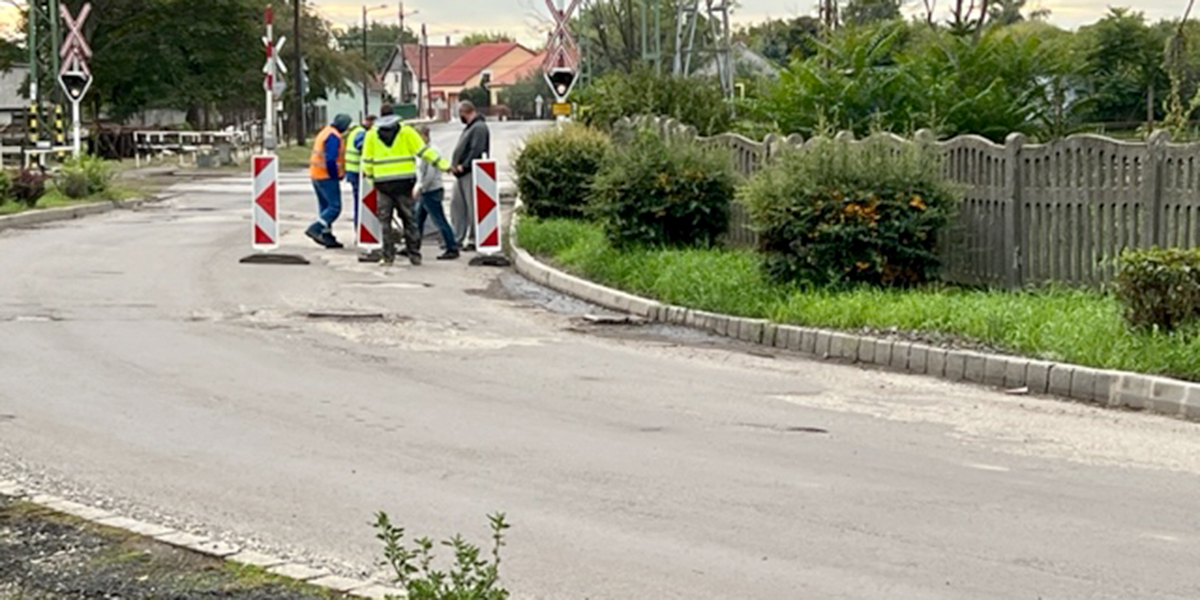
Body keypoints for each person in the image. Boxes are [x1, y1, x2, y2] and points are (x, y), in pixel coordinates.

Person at [362, 105, 450, 266]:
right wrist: (444, 165)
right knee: (410, 219)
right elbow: (424, 152)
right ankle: (414, 254)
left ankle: (388, 256)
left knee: (385, 221)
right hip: (404, 183)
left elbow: (367, 161)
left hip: (382, 184)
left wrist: (371, 180)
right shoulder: (406, 132)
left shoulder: (371, 135)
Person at [306, 113, 352, 249]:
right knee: (334, 207)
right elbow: (330, 159)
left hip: (316, 174)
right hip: (326, 176)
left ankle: (326, 236)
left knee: (325, 207)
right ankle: (316, 228)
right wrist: (335, 175)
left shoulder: (325, 132)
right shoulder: (333, 136)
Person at [414, 126, 460, 261]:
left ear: (425, 136)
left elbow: (429, 174)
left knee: (439, 220)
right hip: (428, 191)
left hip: (431, 191)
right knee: (418, 219)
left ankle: (452, 247)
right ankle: (413, 246)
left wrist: (420, 188)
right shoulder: (424, 150)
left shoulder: (432, 151)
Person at [449, 100, 490, 251]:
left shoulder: (479, 128)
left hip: (470, 172)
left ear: (466, 112)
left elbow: (476, 150)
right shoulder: (471, 127)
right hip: (461, 174)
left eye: (461, 114)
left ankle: (473, 239)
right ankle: (457, 237)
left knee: (473, 207)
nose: (460, 117)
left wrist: (464, 165)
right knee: (457, 205)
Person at [344, 114, 376, 230]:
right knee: (361, 202)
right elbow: (362, 147)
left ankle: (359, 227)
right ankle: (360, 227)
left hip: (353, 171)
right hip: (358, 172)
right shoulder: (361, 133)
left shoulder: (355, 131)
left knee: (359, 201)